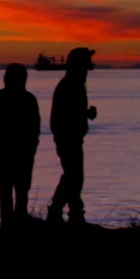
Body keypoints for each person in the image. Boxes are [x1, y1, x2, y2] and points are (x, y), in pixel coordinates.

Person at [46, 47, 98, 226]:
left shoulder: (74, 83)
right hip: (68, 138)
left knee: (73, 175)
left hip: (72, 137)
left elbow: (71, 111)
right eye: (87, 61)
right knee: (73, 175)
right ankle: (69, 212)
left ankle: (67, 211)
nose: (90, 66)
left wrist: (85, 114)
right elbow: (65, 114)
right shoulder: (70, 85)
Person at [0, 63, 41, 226]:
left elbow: (35, 126)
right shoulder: (2, 98)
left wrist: (32, 145)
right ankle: (11, 221)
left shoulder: (26, 99)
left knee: (19, 187)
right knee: (9, 187)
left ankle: (16, 219)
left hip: (19, 150)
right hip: (9, 150)